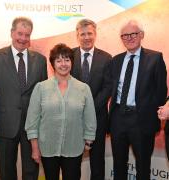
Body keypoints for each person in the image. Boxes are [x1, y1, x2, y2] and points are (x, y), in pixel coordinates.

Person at [25, 43, 96, 180]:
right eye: (58, 60)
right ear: (53, 64)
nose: (63, 64)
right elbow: (32, 121)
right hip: (48, 148)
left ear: (72, 62)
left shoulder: (83, 88)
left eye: (67, 60)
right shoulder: (41, 88)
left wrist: (88, 143)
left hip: (74, 147)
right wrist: (35, 148)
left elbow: (90, 118)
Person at [0, 17, 48, 180]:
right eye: (20, 33)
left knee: (31, 170)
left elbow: (44, 94)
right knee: (6, 169)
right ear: (11, 33)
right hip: (5, 123)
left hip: (32, 125)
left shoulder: (40, 60)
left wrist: (43, 123)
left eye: (27, 35)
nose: (23, 38)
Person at [108, 20, 167, 180]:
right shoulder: (116, 60)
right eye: (125, 35)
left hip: (141, 120)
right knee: (118, 164)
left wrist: (157, 117)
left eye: (133, 33)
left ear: (141, 35)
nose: (129, 38)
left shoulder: (155, 58)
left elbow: (161, 91)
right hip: (118, 118)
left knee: (142, 165)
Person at [71, 19, 112, 180]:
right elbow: (63, 83)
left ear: (95, 35)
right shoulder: (69, 55)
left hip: (98, 117)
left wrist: (90, 107)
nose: (86, 37)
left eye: (89, 33)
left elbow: (108, 87)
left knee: (97, 160)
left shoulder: (106, 58)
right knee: (72, 161)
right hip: (73, 117)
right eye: (82, 34)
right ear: (77, 35)